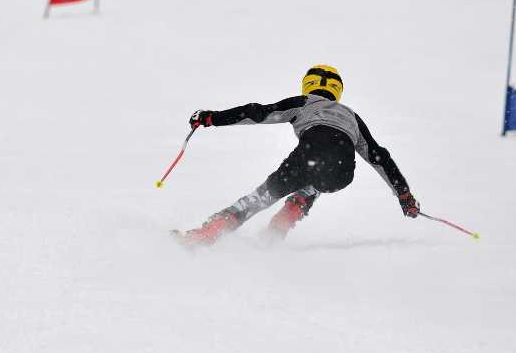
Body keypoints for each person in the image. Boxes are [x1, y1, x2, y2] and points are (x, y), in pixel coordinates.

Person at [176, 65, 419, 246]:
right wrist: (404, 195)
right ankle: (288, 217)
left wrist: (212, 118)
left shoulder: (305, 102)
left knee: (263, 196)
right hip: (342, 173)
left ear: (309, 85)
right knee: (320, 177)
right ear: (338, 91)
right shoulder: (352, 117)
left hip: (307, 157)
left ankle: (209, 232)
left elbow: (257, 113)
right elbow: (380, 157)